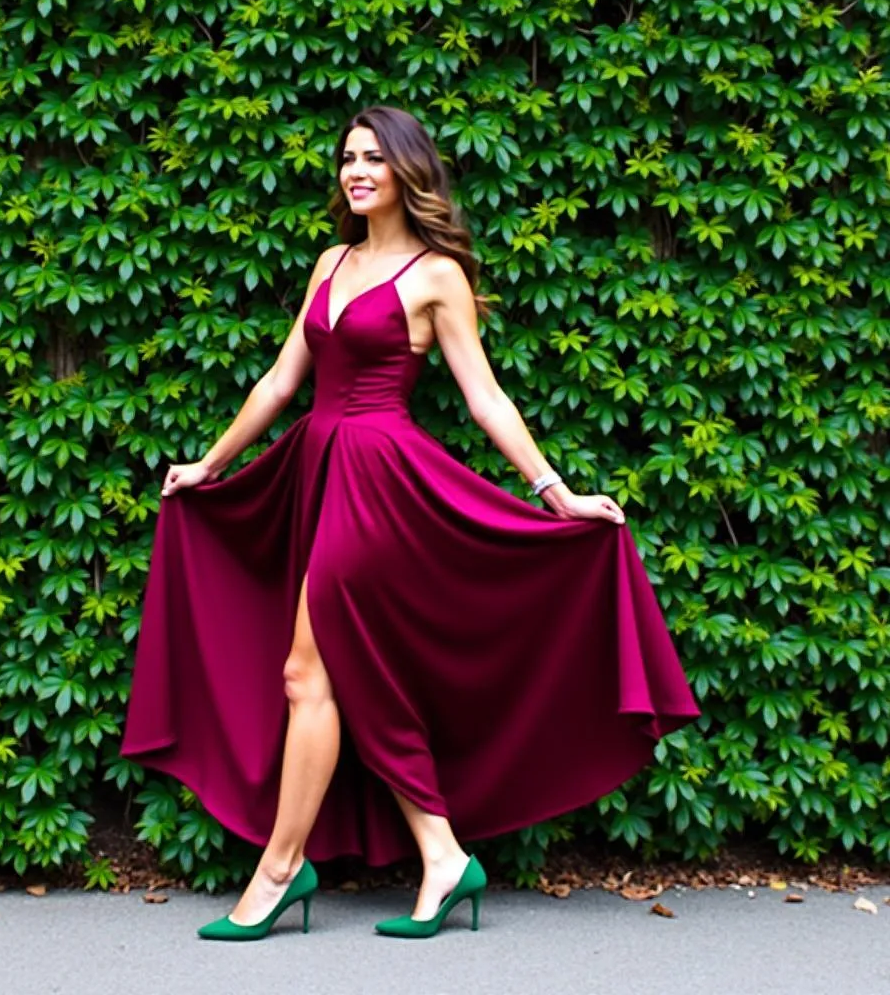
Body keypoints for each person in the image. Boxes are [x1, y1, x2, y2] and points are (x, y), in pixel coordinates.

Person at [120, 105, 701, 941]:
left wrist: (554, 492)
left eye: (373, 160)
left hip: (381, 482)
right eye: (348, 159)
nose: (356, 172)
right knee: (329, 676)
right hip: (315, 471)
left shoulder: (437, 276)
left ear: (405, 172)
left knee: (304, 670)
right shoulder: (331, 260)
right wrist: (213, 464)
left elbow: (484, 394)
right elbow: (282, 383)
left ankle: (282, 870)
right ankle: (439, 854)